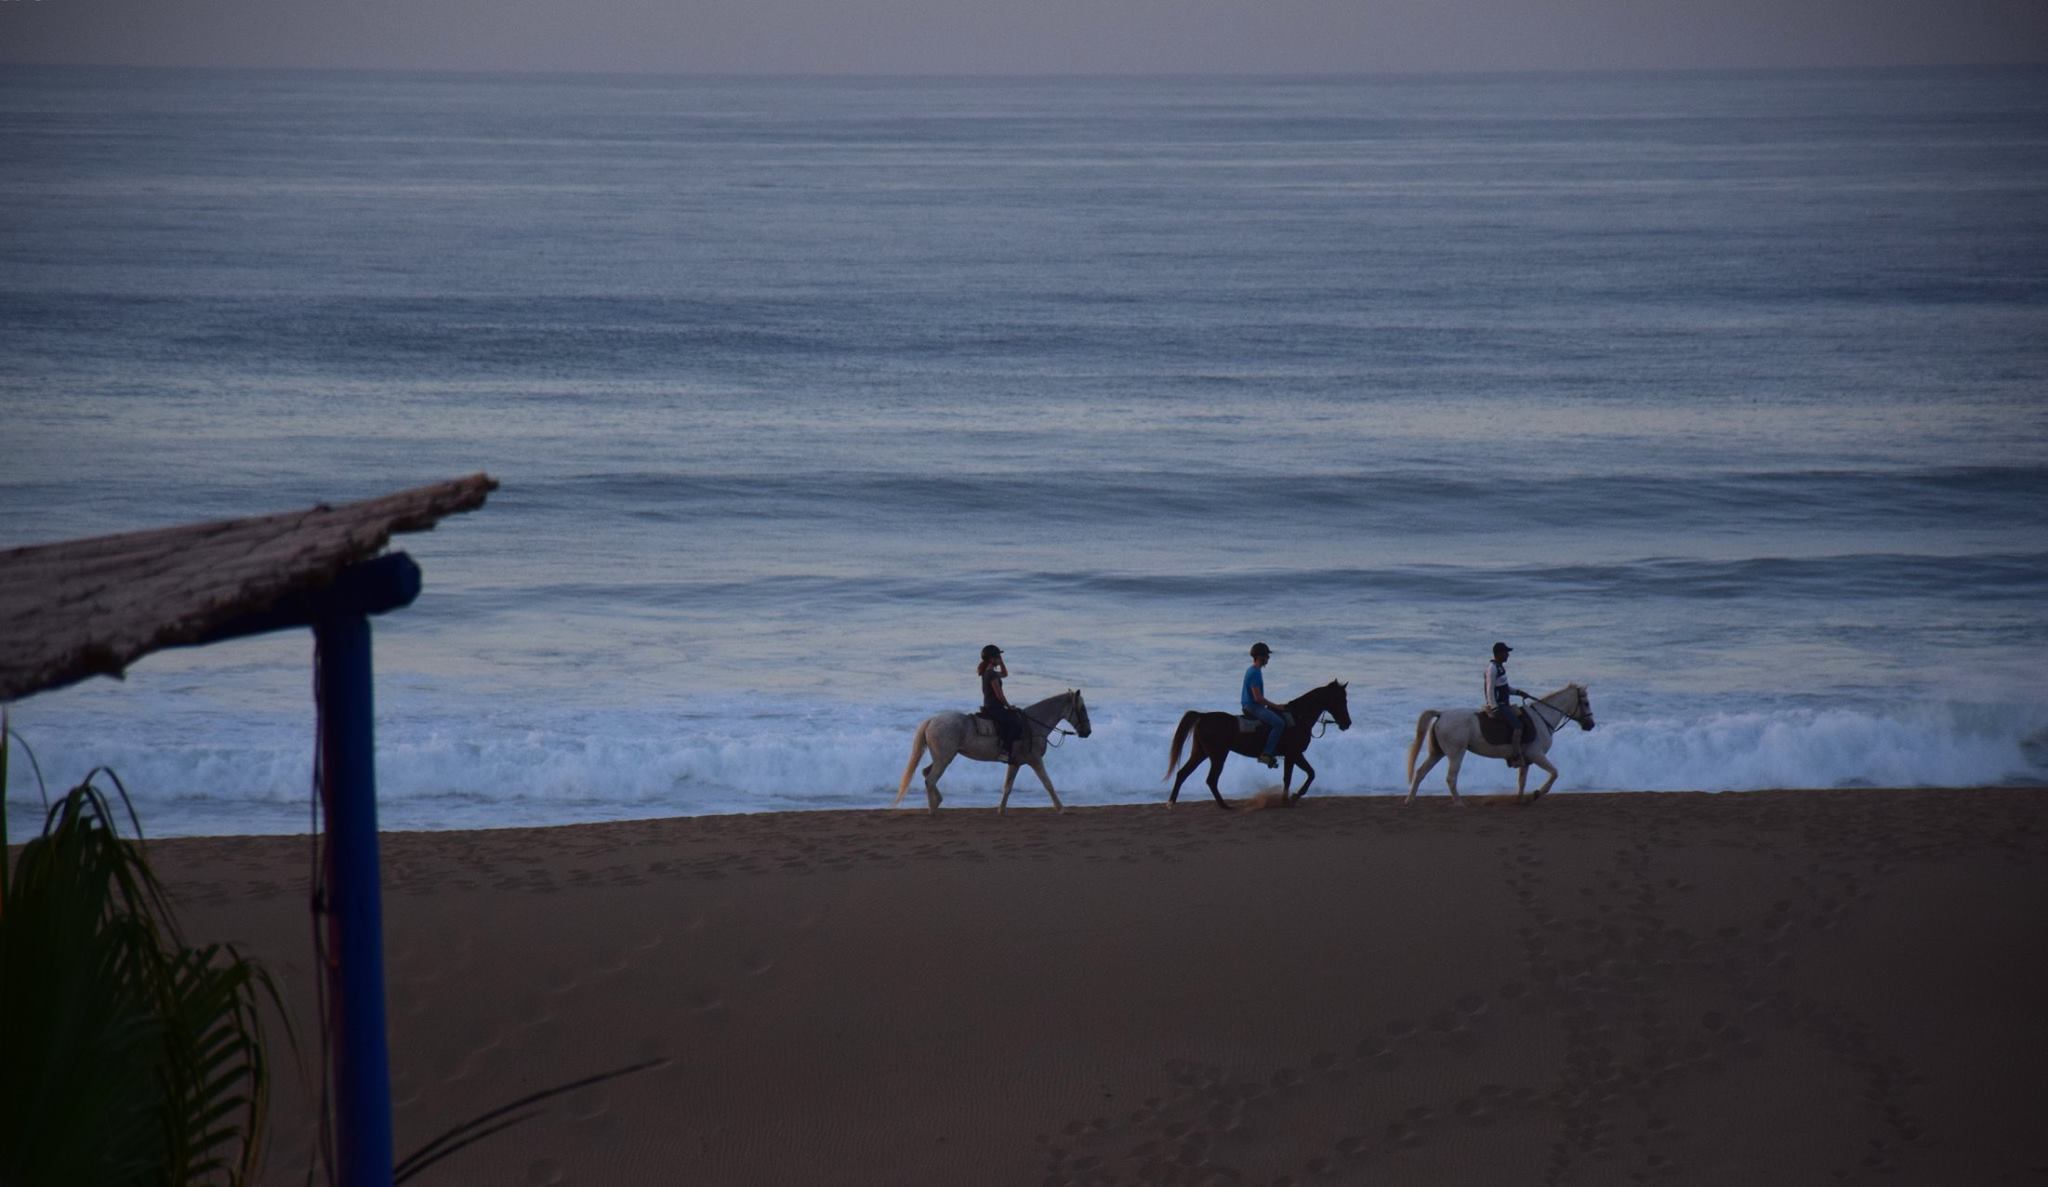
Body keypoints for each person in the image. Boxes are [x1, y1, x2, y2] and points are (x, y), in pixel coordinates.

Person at [1241, 642, 1285, 768]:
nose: (1268, 659)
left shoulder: (1254, 670)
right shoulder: (1254, 672)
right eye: (1267, 656)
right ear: (1260, 657)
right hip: (1252, 707)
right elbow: (1258, 698)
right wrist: (1276, 706)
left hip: (1254, 706)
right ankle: (1266, 754)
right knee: (1279, 723)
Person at [979, 644, 1025, 762]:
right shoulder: (992, 674)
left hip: (990, 706)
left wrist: (1001, 661)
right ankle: (1004, 751)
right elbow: (999, 695)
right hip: (995, 707)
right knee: (1016, 723)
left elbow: (1005, 674)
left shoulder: (987, 672)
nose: (1000, 658)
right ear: (991, 659)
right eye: (997, 656)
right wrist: (1009, 706)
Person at [1484, 641, 1527, 767]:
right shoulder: (1492, 668)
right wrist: (1494, 707)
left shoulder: (1500, 667)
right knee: (1518, 727)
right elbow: (1490, 689)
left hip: (1505, 703)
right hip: (1500, 705)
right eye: (1506, 653)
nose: (1508, 655)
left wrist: (1519, 692)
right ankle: (1515, 756)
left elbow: (1504, 688)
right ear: (1499, 654)